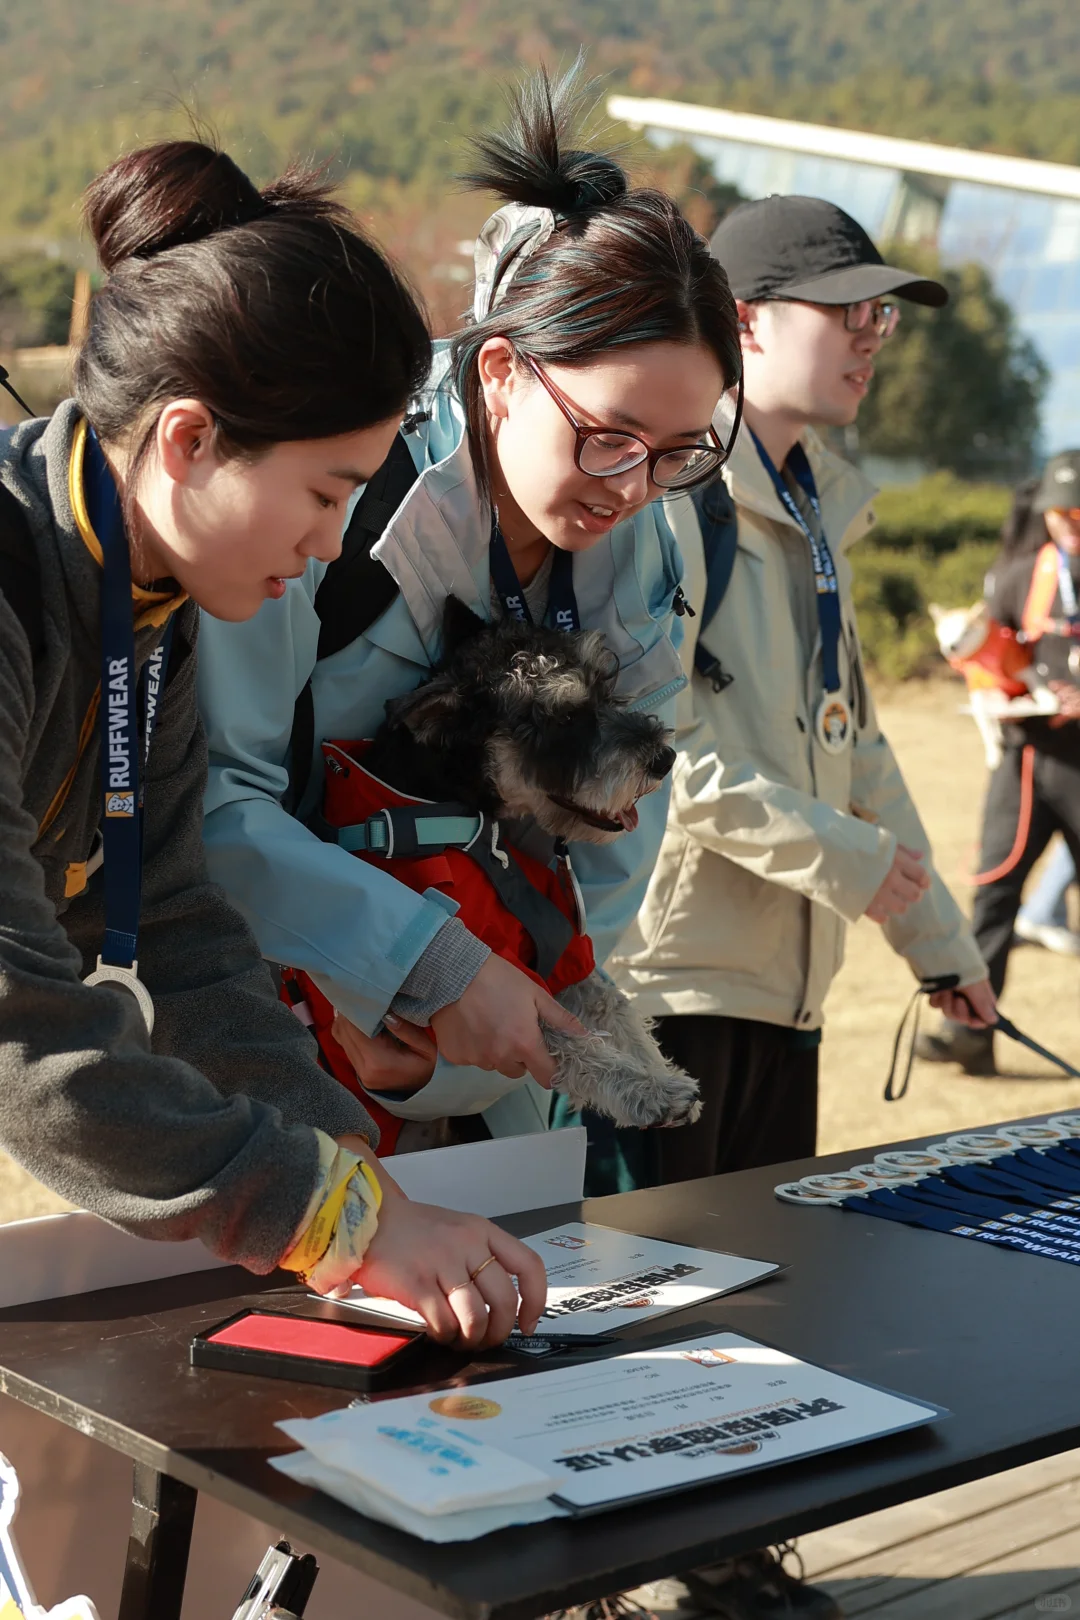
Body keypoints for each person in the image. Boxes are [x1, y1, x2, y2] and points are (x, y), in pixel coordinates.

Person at [0, 137, 548, 1349]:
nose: (331, 544)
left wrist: (352, 1175)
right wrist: (333, 1215)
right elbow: (17, 1019)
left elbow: (180, 921)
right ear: (191, 442)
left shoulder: (143, 596)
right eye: (324, 492)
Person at [196, 66, 743, 1154]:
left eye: (684, 452)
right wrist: (419, 977)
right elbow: (218, 806)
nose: (633, 485)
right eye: (609, 434)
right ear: (499, 371)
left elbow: (614, 837)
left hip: (504, 1072)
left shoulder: (650, 548)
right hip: (289, 1053)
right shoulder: (334, 507)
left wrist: (530, 1017)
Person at [607, 195, 995, 1620]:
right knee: (663, 1304)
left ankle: (727, 1559)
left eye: (883, 313)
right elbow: (650, 754)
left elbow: (860, 741)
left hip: (784, 980)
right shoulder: (678, 499)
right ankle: (665, 1563)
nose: (873, 338)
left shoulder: (820, 503)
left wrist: (941, 950)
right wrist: (840, 856)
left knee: (765, 1292)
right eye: (850, 309)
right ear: (746, 319)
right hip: (672, 976)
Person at [918, 451, 1080, 1074]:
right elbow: (992, 661)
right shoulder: (1018, 575)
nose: (1068, 522)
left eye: (1078, 510)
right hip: (1026, 762)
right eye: (1058, 512)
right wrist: (990, 685)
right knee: (992, 895)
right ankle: (972, 1035)